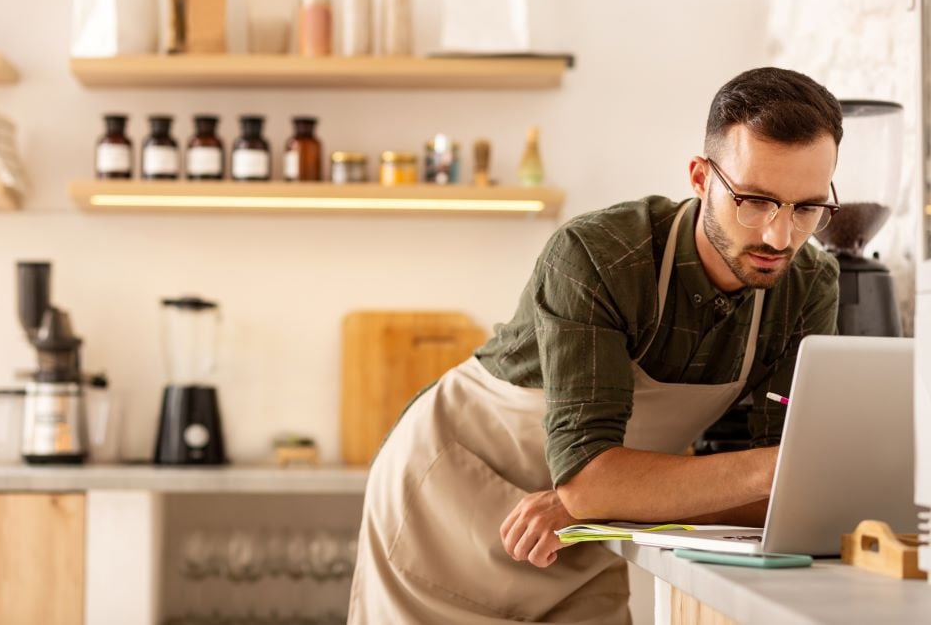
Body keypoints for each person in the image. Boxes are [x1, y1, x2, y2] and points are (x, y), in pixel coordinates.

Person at [347, 67, 842, 624]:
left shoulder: (808, 285)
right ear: (701, 178)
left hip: (588, 530)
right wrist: (596, 491)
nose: (780, 237)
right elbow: (591, 473)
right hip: (447, 505)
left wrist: (593, 499)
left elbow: (787, 500)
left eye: (807, 208)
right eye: (754, 201)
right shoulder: (598, 255)